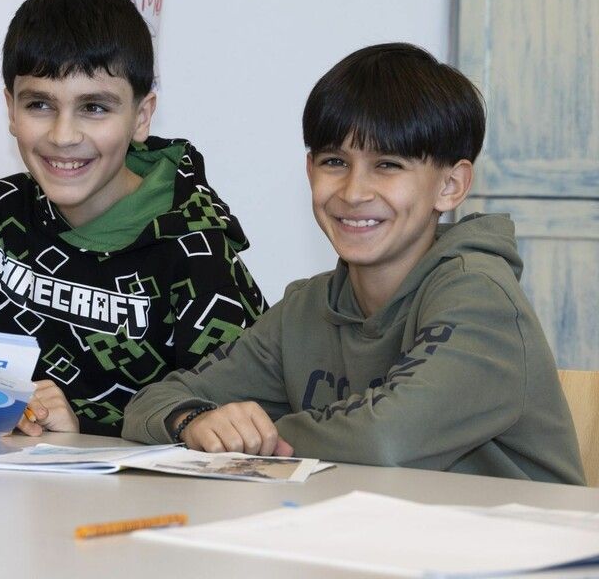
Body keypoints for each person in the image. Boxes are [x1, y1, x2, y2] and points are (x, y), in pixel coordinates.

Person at [122, 43, 585, 484]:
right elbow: (151, 404)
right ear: (309, 172)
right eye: (334, 162)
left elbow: (386, 440)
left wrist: (256, 435)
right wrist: (194, 420)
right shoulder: (307, 309)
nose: (353, 191)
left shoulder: (481, 298)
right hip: (375, 547)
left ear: (450, 185)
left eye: (388, 165)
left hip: (519, 558)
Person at [0, 0, 266, 437]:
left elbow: (226, 433)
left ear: (142, 116)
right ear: (10, 110)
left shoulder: (199, 259)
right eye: (39, 104)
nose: (63, 135)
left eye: (94, 108)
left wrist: (82, 431)